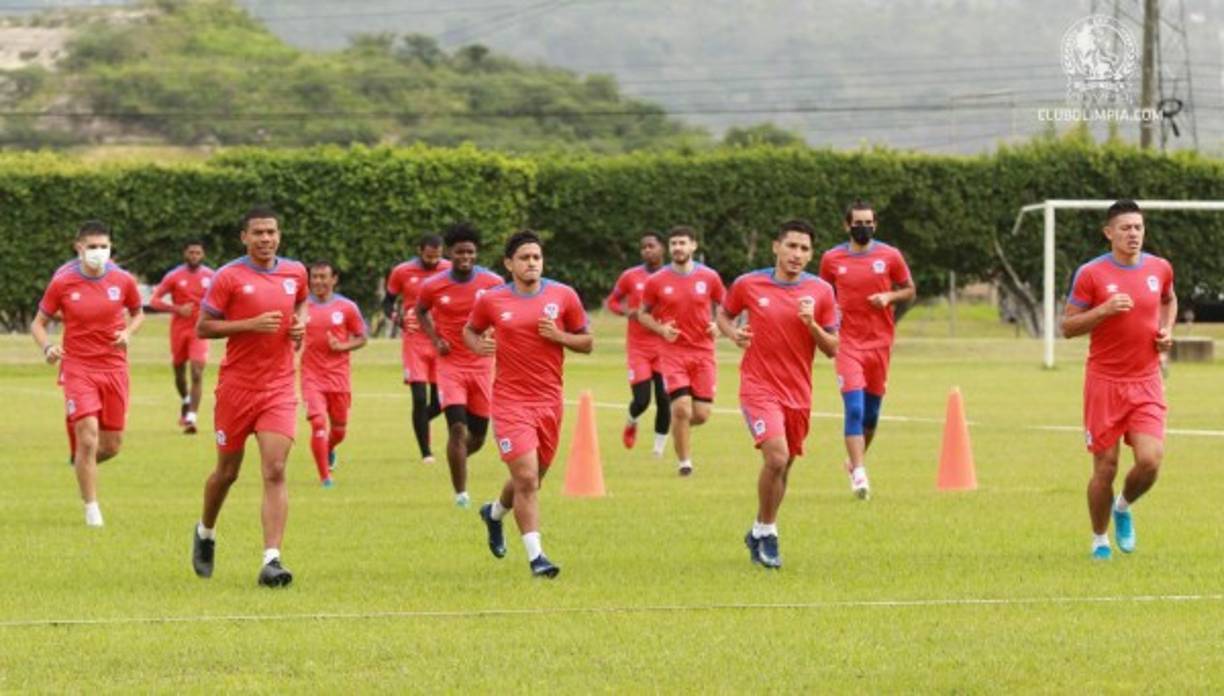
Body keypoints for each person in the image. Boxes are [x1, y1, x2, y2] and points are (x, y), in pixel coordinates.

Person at [191, 207, 308, 588]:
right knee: (227, 474)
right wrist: (249, 326)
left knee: (274, 469)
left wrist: (300, 325)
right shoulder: (228, 276)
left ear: (279, 235)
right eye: (257, 232)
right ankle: (205, 531)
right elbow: (204, 326)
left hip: (278, 388)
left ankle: (271, 559)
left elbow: (301, 303)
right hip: (237, 389)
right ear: (244, 237)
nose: (265, 238)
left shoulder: (296, 272)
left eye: (271, 232)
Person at [470, 230, 591, 578]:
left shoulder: (563, 295)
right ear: (509, 264)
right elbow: (471, 331)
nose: (532, 263)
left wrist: (560, 337)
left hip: (549, 402)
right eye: (524, 258)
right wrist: (478, 347)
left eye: (536, 257)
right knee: (525, 477)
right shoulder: (492, 300)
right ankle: (537, 558)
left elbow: (587, 341)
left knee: (532, 479)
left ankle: (493, 513)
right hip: (510, 402)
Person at [718, 220, 838, 569]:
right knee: (776, 457)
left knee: (783, 468)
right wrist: (732, 333)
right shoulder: (749, 283)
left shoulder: (821, 292)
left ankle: (757, 529)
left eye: (804, 249)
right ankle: (769, 532)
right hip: (758, 387)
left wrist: (812, 324)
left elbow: (832, 348)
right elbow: (724, 314)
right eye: (791, 246)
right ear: (776, 247)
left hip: (798, 393)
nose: (797, 254)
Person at [1062, 199, 1175, 560]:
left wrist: (1167, 330)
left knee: (1151, 460)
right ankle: (1099, 539)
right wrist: (1104, 310)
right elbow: (1067, 327)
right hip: (1104, 383)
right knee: (1105, 467)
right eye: (1125, 228)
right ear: (1108, 232)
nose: (1133, 234)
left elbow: (1169, 300)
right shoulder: (1091, 274)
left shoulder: (1160, 268)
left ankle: (1123, 508)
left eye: (1138, 228)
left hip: (1146, 380)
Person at [31, 221, 144, 527]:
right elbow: (38, 323)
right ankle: (92, 509)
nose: (98, 252)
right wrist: (48, 348)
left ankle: (80, 462)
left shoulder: (123, 280)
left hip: (114, 368)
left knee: (111, 446)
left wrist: (129, 333)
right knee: (89, 437)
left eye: (103, 246)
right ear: (78, 247)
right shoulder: (63, 282)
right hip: (78, 367)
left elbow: (138, 312)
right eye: (92, 247)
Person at [818, 200, 915, 500]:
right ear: (847, 226)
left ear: (875, 225)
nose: (864, 228)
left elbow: (909, 290)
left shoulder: (890, 256)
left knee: (871, 416)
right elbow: (822, 294)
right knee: (855, 408)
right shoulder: (832, 259)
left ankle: (855, 460)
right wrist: (827, 322)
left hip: (880, 344)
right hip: (848, 344)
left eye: (868, 222)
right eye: (858, 223)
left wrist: (889, 296)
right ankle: (859, 474)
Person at [416, 223, 504, 508]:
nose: (465, 257)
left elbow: (504, 313)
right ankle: (461, 495)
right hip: (450, 366)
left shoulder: (492, 282)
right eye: (459, 252)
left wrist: (493, 334)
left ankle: (457, 458)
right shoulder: (433, 285)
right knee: (456, 429)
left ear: (476, 253)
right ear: (449, 254)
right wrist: (435, 339)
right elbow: (420, 311)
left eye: (470, 252)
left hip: (482, 366)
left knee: (477, 437)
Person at [638, 226, 726, 476]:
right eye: (674, 243)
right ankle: (684, 463)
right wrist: (660, 329)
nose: (678, 247)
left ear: (693, 246)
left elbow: (727, 307)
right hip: (672, 353)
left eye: (683, 243)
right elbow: (642, 314)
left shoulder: (709, 277)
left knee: (701, 414)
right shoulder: (656, 281)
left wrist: (718, 325)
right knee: (681, 408)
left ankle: (678, 429)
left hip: (703, 353)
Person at [384, 235, 451, 464]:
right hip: (415, 341)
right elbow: (387, 302)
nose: (433, 261)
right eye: (428, 256)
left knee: (441, 400)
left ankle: (420, 420)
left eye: (437, 256)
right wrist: (399, 319)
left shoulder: (450, 270)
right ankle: (426, 452)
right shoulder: (402, 272)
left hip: (441, 339)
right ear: (419, 251)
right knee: (419, 398)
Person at [301, 261, 367, 487]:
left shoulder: (347, 307)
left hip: (338, 378)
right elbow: (291, 333)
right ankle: (325, 478)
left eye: (323, 277)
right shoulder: (301, 307)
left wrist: (341, 347)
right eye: (315, 277)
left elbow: (361, 337)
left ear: (334, 279)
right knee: (318, 423)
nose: (318, 281)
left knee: (338, 430)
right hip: (311, 377)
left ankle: (329, 447)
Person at [604, 230, 670, 456]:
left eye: (651, 246)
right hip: (639, 347)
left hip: (665, 347)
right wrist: (626, 312)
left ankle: (658, 450)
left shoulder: (673, 276)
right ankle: (632, 420)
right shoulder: (630, 276)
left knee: (665, 399)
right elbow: (612, 302)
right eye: (643, 247)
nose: (647, 250)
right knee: (642, 400)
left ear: (662, 248)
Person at [149, 240, 215, 434]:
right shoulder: (174, 276)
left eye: (198, 253)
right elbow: (154, 301)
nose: (194, 256)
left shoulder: (211, 276)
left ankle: (191, 418)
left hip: (199, 329)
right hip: (179, 329)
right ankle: (186, 399)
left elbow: (221, 299)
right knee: (179, 371)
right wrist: (177, 308)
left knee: (196, 371)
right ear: (184, 254)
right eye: (191, 252)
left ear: (203, 255)